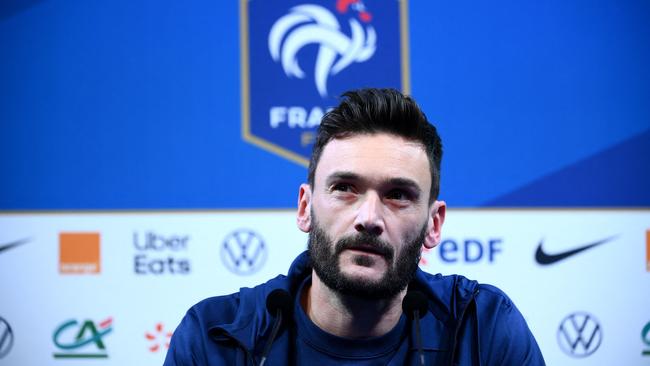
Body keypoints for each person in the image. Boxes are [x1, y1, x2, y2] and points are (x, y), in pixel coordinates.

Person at [164, 88, 545, 365]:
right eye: (345, 188)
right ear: (305, 207)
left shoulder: (481, 332)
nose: (369, 218)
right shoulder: (218, 339)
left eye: (398, 195)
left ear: (434, 223)